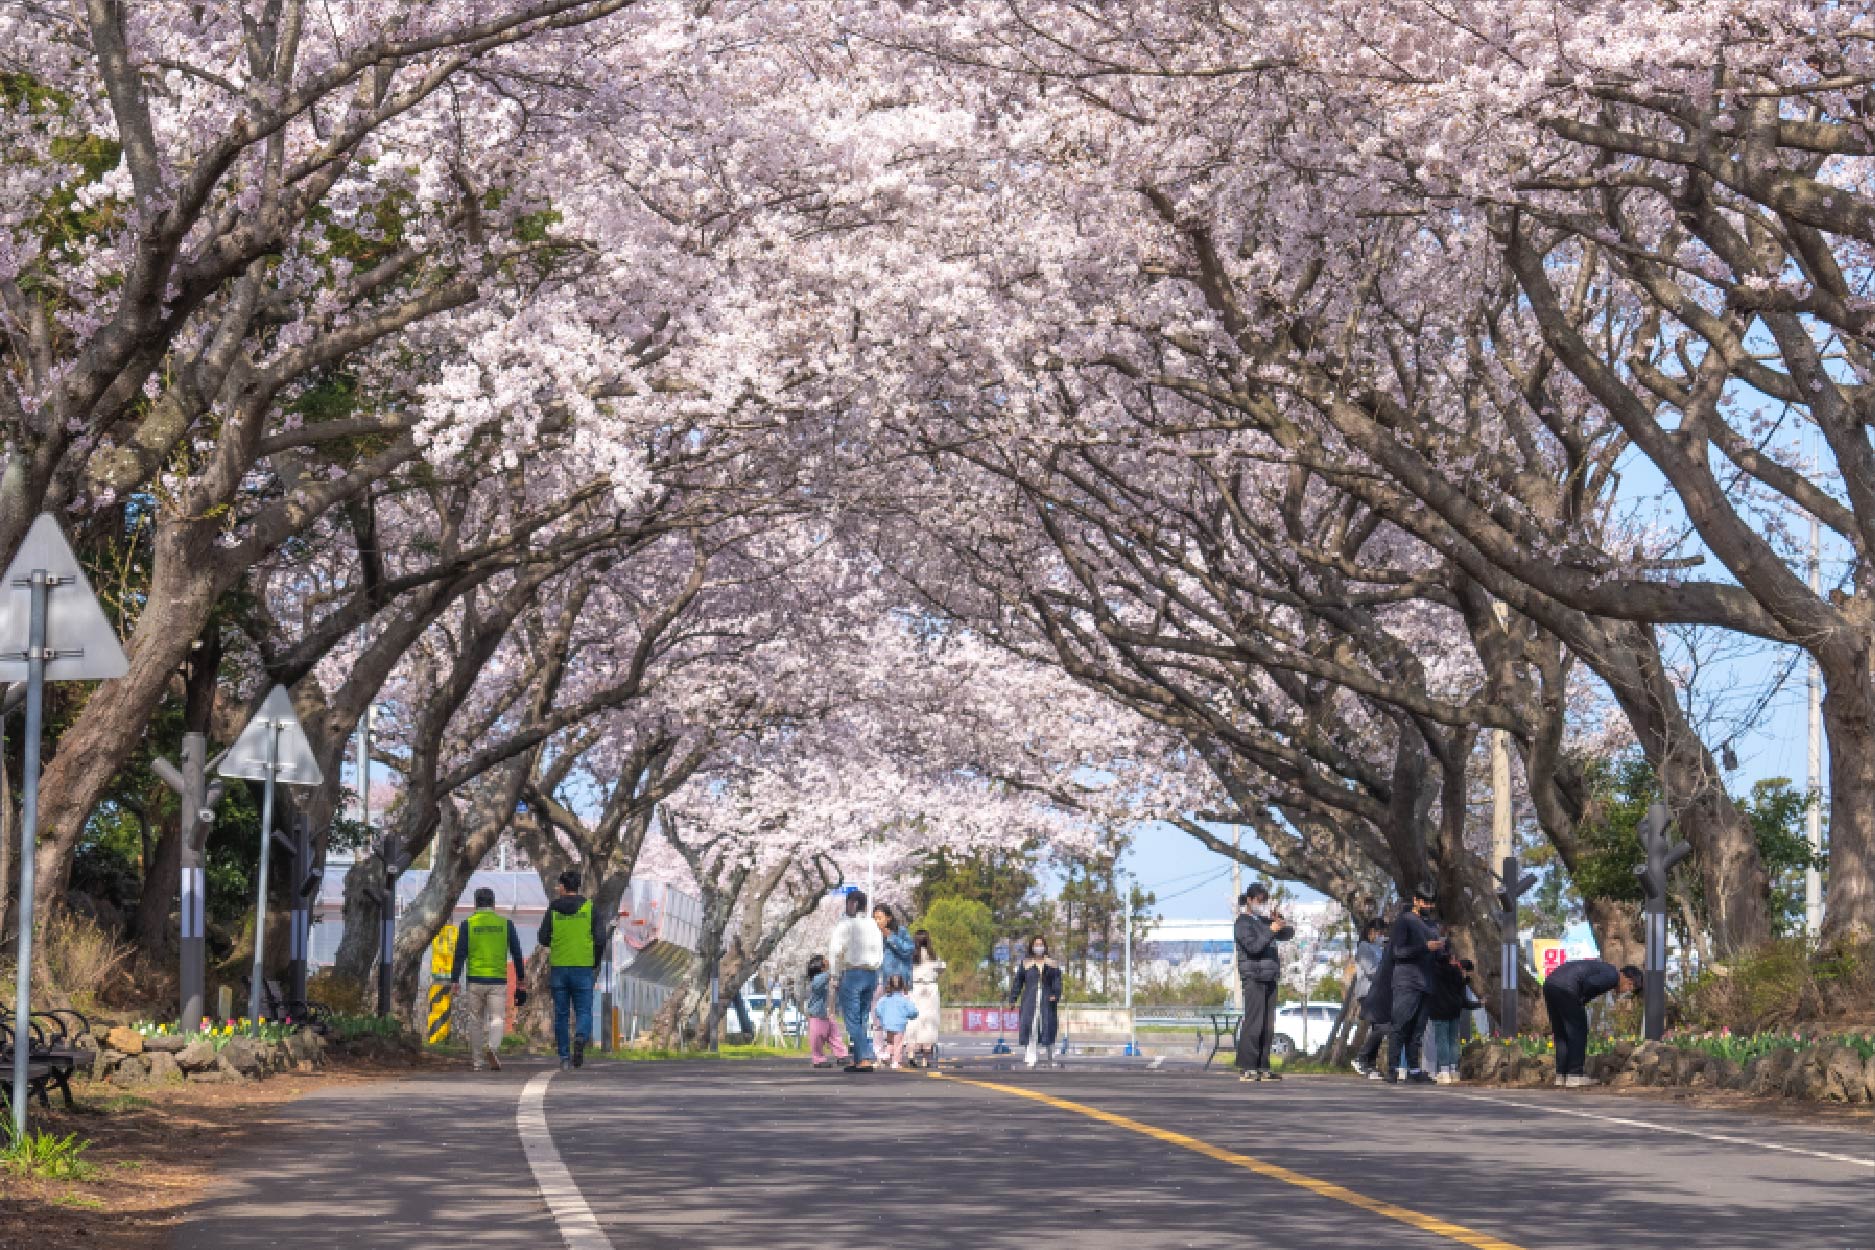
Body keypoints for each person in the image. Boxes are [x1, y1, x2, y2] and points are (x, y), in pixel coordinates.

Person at [450, 887, 529, 1072]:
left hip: (475, 980)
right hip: (497, 981)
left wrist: (455, 979)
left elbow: (460, 954)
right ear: (493, 904)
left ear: (475, 904)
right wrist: (521, 979)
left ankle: (477, 1062)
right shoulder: (505, 924)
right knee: (497, 1018)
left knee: (475, 1020)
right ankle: (492, 1048)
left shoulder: (467, 924)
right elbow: (517, 954)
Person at [538, 870, 609, 1072]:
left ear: (563, 886)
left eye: (558, 885)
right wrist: (594, 960)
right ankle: (580, 1037)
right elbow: (601, 939)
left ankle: (564, 1057)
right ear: (577, 886)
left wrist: (556, 939)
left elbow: (542, 938)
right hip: (583, 967)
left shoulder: (553, 909)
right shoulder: (590, 908)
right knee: (584, 1011)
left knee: (561, 1014)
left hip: (559, 967)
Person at [1232, 884, 1296, 1083]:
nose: (1262, 904)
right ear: (1250, 900)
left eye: (1264, 900)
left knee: (1268, 1025)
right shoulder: (1243, 923)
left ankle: (1263, 1065)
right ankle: (1247, 1067)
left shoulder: (1263, 921)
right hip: (1253, 976)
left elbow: (1288, 934)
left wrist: (1279, 921)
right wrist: (1270, 930)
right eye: (1259, 900)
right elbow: (1253, 947)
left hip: (1269, 976)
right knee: (1254, 1023)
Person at [1545, 958, 1643, 1088]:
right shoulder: (1613, 975)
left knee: (1561, 1034)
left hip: (1551, 984)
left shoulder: (1605, 969)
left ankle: (1561, 1075)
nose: (1627, 990)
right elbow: (1591, 983)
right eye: (1630, 986)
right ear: (1627, 978)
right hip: (1567, 987)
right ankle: (1574, 1075)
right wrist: (1580, 999)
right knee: (1578, 1030)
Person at [1384, 882, 1443, 1085]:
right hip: (1407, 981)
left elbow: (1438, 955)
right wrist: (1424, 947)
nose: (1428, 905)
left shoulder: (1433, 925)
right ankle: (1392, 1069)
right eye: (1424, 901)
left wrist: (1444, 951)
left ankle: (1414, 1069)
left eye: (1431, 903)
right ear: (1416, 900)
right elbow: (1398, 952)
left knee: (1418, 1030)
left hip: (1426, 982)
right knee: (1400, 1025)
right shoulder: (1405, 921)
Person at [827, 890, 884, 1072]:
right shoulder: (873, 925)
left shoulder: (845, 924)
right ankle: (859, 1058)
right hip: (871, 974)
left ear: (852, 904)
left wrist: (835, 975)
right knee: (861, 1018)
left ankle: (866, 1056)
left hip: (852, 973)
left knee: (851, 1020)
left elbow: (836, 951)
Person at [1008, 935, 1062, 1068]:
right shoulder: (1026, 964)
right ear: (1032, 947)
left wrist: (1055, 994)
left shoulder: (1052, 964)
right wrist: (1013, 998)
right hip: (1030, 1000)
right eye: (1036, 944)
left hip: (1047, 1000)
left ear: (1045, 946)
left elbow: (1057, 982)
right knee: (1031, 1027)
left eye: (1041, 944)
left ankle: (1050, 1057)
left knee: (1048, 1027)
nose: (1039, 947)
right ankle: (1031, 1057)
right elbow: (1018, 982)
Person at [1351, 915, 1394, 1081]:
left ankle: (1368, 1064)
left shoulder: (1378, 948)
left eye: (1383, 932)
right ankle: (1361, 1058)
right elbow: (1371, 970)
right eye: (1379, 932)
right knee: (1383, 1026)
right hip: (1368, 992)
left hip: (1379, 992)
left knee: (1379, 1027)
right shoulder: (1364, 947)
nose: (1381, 935)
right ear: (1371, 932)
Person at [1427, 940, 1474, 1084]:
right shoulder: (1456, 971)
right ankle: (1454, 1071)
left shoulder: (1433, 969)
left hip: (1439, 1009)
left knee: (1442, 1040)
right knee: (1453, 1040)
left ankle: (1444, 1071)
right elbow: (1461, 986)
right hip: (1454, 1008)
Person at [874, 904, 915, 1052]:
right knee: (879, 1017)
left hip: (898, 983)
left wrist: (890, 937)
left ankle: (897, 1049)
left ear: (888, 918)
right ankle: (880, 1050)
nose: (877, 921)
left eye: (879, 918)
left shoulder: (900, 932)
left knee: (899, 1018)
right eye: (875, 918)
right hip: (879, 981)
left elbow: (909, 950)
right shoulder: (872, 934)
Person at [906, 929, 944, 1067]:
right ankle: (925, 1058)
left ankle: (911, 1053)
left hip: (915, 989)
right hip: (930, 990)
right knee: (929, 1023)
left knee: (913, 1020)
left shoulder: (911, 956)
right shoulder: (933, 956)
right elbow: (942, 968)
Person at [803, 954, 848, 1068]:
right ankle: (818, 1059)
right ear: (820, 966)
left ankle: (841, 1056)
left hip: (828, 1014)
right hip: (817, 1015)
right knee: (817, 1038)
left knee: (835, 1036)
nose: (827, 962)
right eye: (825, 961)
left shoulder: (825, 978)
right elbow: (821, 982)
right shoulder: (817, 979)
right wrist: (832, 972)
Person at [873, 974, 920, 1070]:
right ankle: (895, 1062)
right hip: (899, 1025)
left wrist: (882, 1018)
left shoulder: (884, 999)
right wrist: (911, 1016)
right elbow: (913, 1011)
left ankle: (886, 1054)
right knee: (898, 1044)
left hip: (887, 1024)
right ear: (902, 985)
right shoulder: (904, 1000)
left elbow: (877, 1010)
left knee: (890, 1041)